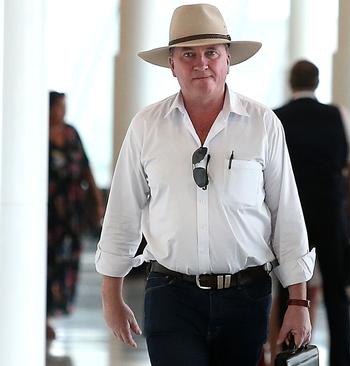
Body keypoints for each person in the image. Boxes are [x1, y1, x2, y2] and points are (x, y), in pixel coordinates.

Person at [94, 4, 315, 366]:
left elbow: (286, 214)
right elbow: (123, 211)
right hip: (170, 295)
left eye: (211, 52)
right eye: (188, 54)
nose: (201, 63)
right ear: (172, 64)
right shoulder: (146, 126)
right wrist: (111, 296)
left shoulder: (263, 124)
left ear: (228, 59)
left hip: (247, 296)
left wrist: (297, 302)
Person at [271, 60, 350, 366]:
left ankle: (288, 355)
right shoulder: (338, 115)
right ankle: (343, 359)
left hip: (291, 216)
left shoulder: (275, 119)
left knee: (289, 290)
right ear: (317, 82)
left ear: (290, 82)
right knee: (337, 290)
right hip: (332, 210)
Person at [47, 91, 104, 340]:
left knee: (68, 261)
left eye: (63, 107)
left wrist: (97, 201)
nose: (62, 112)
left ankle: (56, 309)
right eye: (58, 107)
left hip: (71, 211)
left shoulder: (71, 133)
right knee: (46, 263)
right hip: (46, 211)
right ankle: (42, 315)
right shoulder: (36, 132)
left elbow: (86, 168)